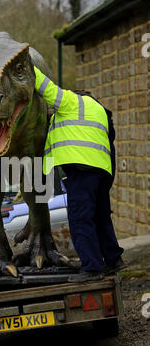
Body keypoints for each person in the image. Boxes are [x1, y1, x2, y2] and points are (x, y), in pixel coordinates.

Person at [34, 66, 124, 283]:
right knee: (101, 216)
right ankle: (113, 260)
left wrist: (25, 64)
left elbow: (46, 87)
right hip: (102, 171)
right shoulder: (100, 110)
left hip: (82, 169)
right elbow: (110, 139)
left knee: (80, 218)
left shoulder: (70, 101)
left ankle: (92, 268)